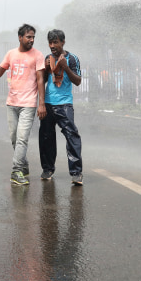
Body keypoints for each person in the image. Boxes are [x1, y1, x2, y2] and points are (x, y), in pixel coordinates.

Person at [0, 24, 46, 185]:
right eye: (28, 37)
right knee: (14, 138)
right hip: (12, 103)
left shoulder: (37, 55)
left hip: (28, 104)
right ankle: (23, 165)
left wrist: (41, 104)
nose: (31, 40)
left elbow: (40, 80)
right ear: (20, 37)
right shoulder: (11, 54)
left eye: (33, 37)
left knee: (22, 139)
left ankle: (16, 171)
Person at [39, 29, 83, 185]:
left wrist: (65, 67)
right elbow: (42, 81)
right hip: (48, 104)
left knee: (72, 135)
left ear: (63, 42)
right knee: (46, 137)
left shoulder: (72, 59)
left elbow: (77, 81)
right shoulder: (47, 59)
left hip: (64, 104)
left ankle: (76, 173)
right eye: (50, 42)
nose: (52, 45)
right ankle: (47, 169)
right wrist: (41, 103)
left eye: (55, 42)